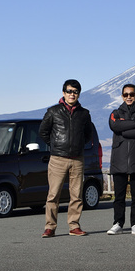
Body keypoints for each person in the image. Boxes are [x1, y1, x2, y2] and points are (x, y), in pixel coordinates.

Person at [39, 79, 93, 238]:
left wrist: (78, 146)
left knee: (76, 195)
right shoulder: (53, 111)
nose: (72, 94)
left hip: (77, 159)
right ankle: (50, 227)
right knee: (53, 194)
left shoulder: (84, 113)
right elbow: (43, 132)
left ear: (79, 94)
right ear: (63, 93)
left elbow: (88, 134)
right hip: (57, 159)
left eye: (75, 92)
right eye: (69, 91)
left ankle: (74, 226)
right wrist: (55, 145)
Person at [107, 84, 135, 235]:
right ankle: (118, 223)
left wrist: (124, 131)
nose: (128, 97)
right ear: (122, 96)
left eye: (131, 94)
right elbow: (114, 125)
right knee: (119, 196)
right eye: (126, 94)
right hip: (119, 160)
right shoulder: (115, 113)